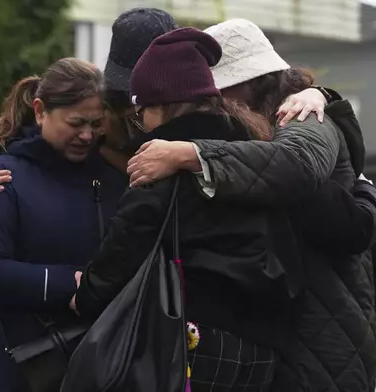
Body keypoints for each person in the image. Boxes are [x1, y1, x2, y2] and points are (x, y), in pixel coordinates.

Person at [124, 18, 376, 392]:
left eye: (219, 89)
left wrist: (192, 153)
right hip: (288, 331)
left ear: (253, 82)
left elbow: (297, 169)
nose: (211, 101)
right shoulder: (263, 129)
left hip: (319, 338)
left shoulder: (304, 116)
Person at [73, 27, 284, 392]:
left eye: (142, 113)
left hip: (193, 340)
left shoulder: (159, 160)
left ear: (164, 105)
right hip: (264, 343)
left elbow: (126, 244)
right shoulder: (252, 148)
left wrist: (86, 295)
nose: (140, 125)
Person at [0, 9, 332, 205]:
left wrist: (322, 96)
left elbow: (268, 164)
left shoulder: (210, 119)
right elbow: (27, 142)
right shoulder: (97, 105)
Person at [0, 58, 128, 392]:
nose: (87, 135)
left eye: (95, 124)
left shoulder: (116, 177)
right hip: (23, 374)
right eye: (76, 122)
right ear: (39, 111)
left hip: (107, 370)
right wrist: (71, 284)